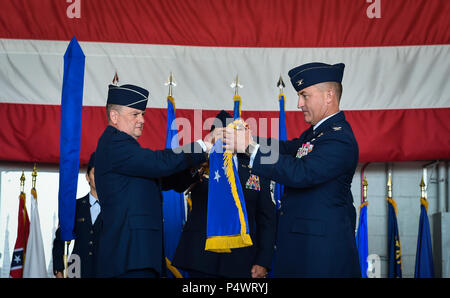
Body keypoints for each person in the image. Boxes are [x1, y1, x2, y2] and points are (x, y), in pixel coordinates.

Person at [223, 62, 361, 277]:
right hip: (302, 249)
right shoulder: (315, 134)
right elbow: (285, 149)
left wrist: (250, 147)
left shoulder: (339, 138)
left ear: (329, 95)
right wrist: (243, 138)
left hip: (322, 256)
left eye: (305, 95)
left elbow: (301, 173)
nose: (299, 103)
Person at [94, 83, 214, 278]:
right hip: (129, 256)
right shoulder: (114, 143)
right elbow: (159, 163)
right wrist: (204, 146)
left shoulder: (125, 149)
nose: (142, 120)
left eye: (143, 114)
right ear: (114, 117)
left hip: (140, 254)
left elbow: (166, 179)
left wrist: (196, 168)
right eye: (135, 114)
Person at [167, 110, 277, 278]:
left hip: (241, 259)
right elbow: (176, 183)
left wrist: (263, 260)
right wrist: (201, 159)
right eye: (221, 135)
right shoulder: (200, 162)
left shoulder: (256, 167)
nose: (226, 140)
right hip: (200, 257)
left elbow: (266, 218)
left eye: (231, 135)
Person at [52, 152, 100, 278]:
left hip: (105, 269)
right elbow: (59, 239)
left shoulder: (114, 209)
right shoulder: (75, 206)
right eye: (95, 173)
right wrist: (58, 270)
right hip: (76, 269)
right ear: (87, 177)